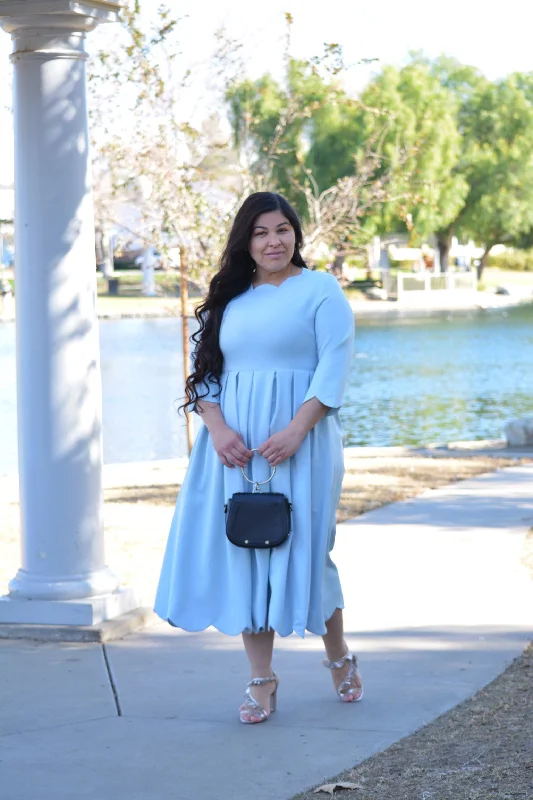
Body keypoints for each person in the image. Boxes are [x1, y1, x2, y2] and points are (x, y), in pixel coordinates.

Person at [154, 192, 363, 724]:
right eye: (261, 232)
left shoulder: (321, 290)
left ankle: (337, 655)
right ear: (246, 240)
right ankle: (261, 681)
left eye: (282, 230)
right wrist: (218, 429)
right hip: (236, 449)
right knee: (249, 548)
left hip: (305, 442)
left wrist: (296, 430)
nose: (273, 241)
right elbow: (205, 374)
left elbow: (334, 367)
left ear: (296, 234)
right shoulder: (228, 298)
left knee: (310, 552)